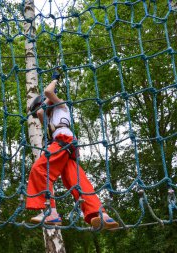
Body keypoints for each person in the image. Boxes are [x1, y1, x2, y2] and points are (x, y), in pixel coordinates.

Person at [26, 71, 119, 230]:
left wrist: (55, 80)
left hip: (64, 141)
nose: (40, 111)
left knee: (40, 169)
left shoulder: (62, 106)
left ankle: (51, 212)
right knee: (75, 181)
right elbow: (40, 112)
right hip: (67, 146)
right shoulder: (48, 119)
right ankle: (100, 214)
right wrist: (42, 106)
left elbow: (48, 93)